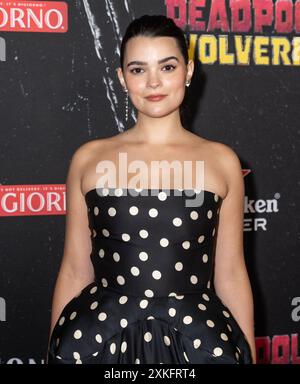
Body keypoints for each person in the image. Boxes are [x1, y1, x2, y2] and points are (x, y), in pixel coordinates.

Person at [47, 14, 256, 364]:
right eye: (138, 69)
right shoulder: (88, 159)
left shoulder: (221, 161)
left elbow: (231, 272)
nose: (154, 82)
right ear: (121, 78)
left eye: (168, 67)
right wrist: (56, 349)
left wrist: (245, 351)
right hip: (98, 340)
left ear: (189, 71)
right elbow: (74, 269)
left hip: (197, 341)